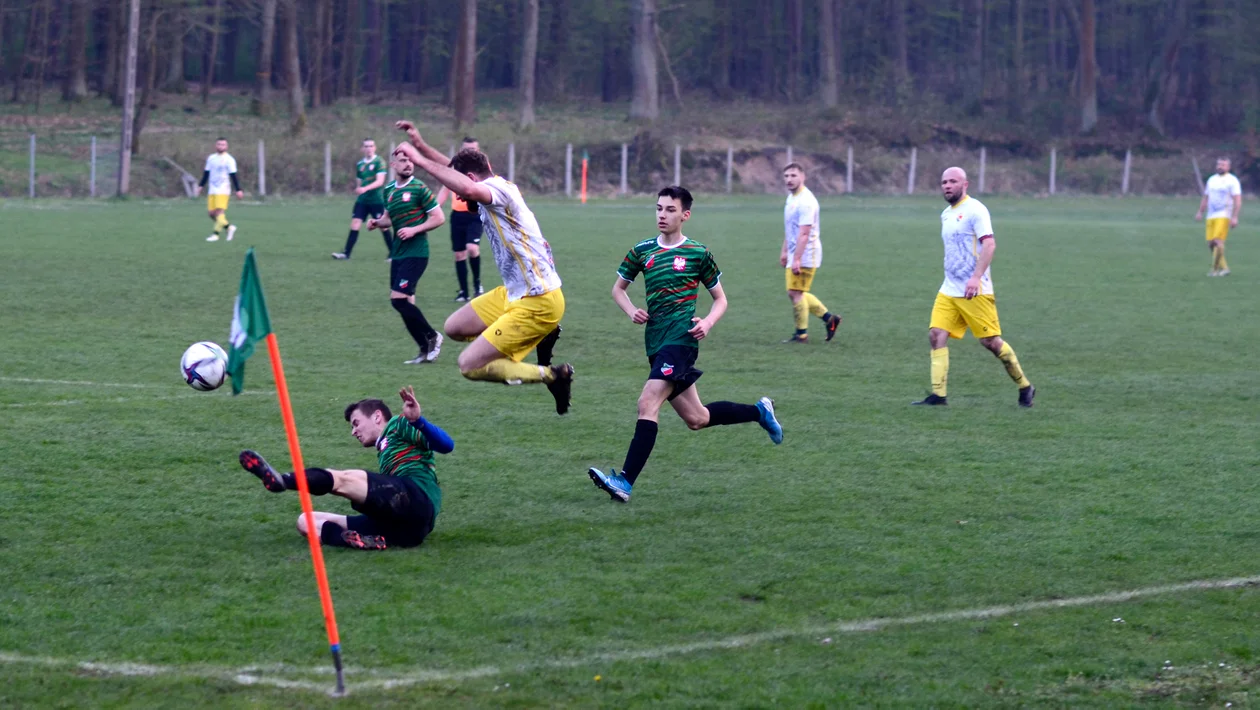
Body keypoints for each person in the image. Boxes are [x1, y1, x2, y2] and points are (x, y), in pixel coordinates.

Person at [587, 186, 783, 503]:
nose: (662, 215)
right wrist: (630, 310)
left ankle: (624, 482)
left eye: (670, 210)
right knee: (697, 418)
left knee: (647, 402)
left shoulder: (698, 254)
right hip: (655, 341)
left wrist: (706, 322)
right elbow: (618, 289)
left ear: (685, 215)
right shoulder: (642, 250)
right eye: (659, 208)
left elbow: (720, 299)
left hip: (681, 341)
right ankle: (759, 412)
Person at [393, 121, 572, 414]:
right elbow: (458, 175)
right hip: (515, 293)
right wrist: (421, 146)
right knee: (454, 327)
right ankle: (540, 334)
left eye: (461, 190)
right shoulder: (493, 183)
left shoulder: (497, 191)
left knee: (469, 365)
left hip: (539, 300)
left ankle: (554, 375)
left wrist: (418, 159)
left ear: (474, 178)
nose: (459, 197)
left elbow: (465, 185)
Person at [238, 386, 453, 551]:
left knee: (345, 479)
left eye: (356, 423)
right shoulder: (386, 448)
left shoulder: (399, 424)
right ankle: (358, 541)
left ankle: (283, 480)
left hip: (417, 498)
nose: (353, 432)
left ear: (377, 416)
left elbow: (446, 445)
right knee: (306, 521)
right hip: (407, 531)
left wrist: (418, 421)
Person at [913, 167, 1034, 408]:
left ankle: (1025, 386)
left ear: (965, 184)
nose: (947, 185)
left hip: (975, 290)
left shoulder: (976, 210)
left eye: (953, 181)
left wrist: (976, 277)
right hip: (949, 289)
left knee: (991, 343)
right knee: (936, 334)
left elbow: (989, 245)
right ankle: (939, 395)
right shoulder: (946, 214)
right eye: (944, 182)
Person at [366, 148, 446, 364]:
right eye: (403, 161)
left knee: (398, 300)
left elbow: (438, 218)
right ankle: (424, 349)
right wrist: (376, 223)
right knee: (404, 301)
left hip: (417, 252)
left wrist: (414, 230)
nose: (408, 164)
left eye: (410, 160)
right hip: (399, 252)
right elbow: (388, 218)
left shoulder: (419, 188)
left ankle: (432, 336)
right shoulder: (389, 190)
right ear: (393, 165)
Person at [779, 163, 842, 343]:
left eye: (793, 175)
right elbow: (790, 229)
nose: (789, 180)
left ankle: (801, 334)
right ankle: (830, 319)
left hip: (807, 254)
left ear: (803, 177)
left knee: (795, 293)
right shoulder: (792, 198)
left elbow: (804, 233)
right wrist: (785, 251)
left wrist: (797, 258)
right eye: (786, 176)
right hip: (795, 252)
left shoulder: (806, 201)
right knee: (796, 292)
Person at [435, 136, 485, 301]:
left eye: (473, 149)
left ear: (478, 151)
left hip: (475, 214)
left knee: (472, 248)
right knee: (459, 255)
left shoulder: (482, 169)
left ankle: (477, 286)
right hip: (457, 216)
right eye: (466, 149)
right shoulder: (455, 167)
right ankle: (463, 292)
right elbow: (445, 189)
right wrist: (434, 209)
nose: (470, 152)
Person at [332, 139, 393, 260]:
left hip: (377, 200)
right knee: (355, 224)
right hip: (362, 201)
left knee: (383, 226)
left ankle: (393, 253)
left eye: (371, 146)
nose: (369, 148)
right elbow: (359, 182)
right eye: (366, 146)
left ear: (375, 148)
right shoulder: (360, 164)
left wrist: (365, 188)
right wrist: (360, 189)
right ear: (362, 149)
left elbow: (380, 181)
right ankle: (346, 254)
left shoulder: (379, 162)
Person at [1195, 157, 1243, 277]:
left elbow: (1237, 200)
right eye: (1219, 164)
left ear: (1228, 167)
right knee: (1211, 243)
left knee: (1218, 241)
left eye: (1223, 165)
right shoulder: (1211, 180)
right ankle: (1225, 268)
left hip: (1224, 214)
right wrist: (1200, 212)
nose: (1220, 166)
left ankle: (1215, 270)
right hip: (1211, 215)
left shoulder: (1232, 180)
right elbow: (1206, 197)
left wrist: (1235, 217)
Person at [194, 137, 243, 243]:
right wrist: (200, 186)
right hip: (212, 189)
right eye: (219, 144)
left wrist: (238, 189)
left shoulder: (229, 159)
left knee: (219, 212)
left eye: (223, 144)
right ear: (215, 146)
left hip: (223, 189)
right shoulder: (211, 158)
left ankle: (215, 235)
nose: (221, 146)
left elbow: (233, 175)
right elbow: (206, 173)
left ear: (227, 146)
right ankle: (229, 227)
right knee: (211, 214)